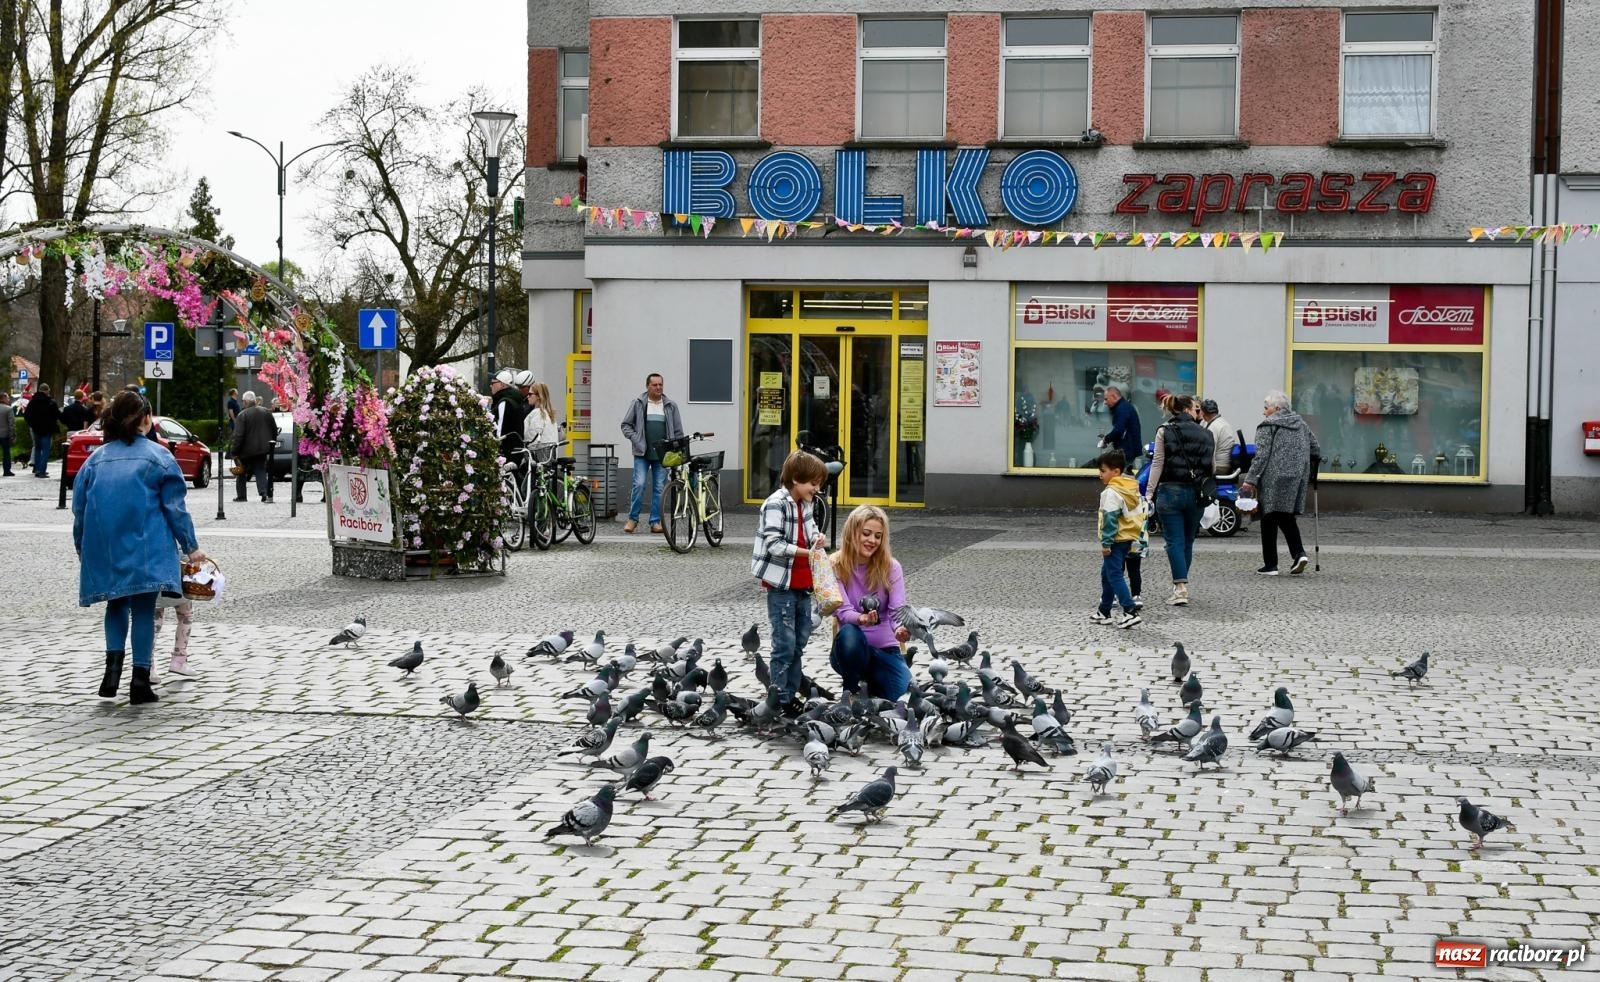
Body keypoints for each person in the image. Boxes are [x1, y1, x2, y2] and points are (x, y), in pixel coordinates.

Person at [73, 391, 206, 705]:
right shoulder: (159, 457)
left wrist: (82, 547)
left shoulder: (96, 459)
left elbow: (80, 508)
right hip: (147, 546)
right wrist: (191, 547)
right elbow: (175, 508)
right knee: (143, 610)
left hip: (106, 545)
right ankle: (140, 681)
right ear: (145, 419)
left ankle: (111, 673)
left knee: (115, 605)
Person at [751, 449, 829, 715]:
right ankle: (780, 698)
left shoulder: (805, 504)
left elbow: (811, 531)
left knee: (799, 642)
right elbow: (774, 544)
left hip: (802, 584)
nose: (817, 489)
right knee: (783, 645)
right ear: (796, 479)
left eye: (819, 483)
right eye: (813, 483)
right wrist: (808, 552)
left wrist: (818, 540)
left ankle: (791, 693)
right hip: (781, 585)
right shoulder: (775, 503)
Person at [828, 506, 912, 700]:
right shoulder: (835, 565)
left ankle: (871, 682)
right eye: (866, 533)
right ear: (852, 532)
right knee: (849, 631)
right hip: (850, 650)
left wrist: (900, 629)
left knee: (901, 697)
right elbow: (842, 611)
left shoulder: (891, 567)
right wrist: (862, 618)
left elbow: (897, 610)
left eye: (878, 536)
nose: (872, 540)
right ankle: (850, 691)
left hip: (886, 651)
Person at [1145, 394, 1215, 607]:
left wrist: (1149, 493)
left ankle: (1180, 587)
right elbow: (1212, 467)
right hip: (1197, 494)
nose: (1198, 412)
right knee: (1187, 541)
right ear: (1188, 409)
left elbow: (1157, 463)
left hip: (1170, 491)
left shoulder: (1164, 431)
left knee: (1174, 541)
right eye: (1196, 409)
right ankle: (1181, 583)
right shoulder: (1207, 433)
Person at [1241, 390, 1321, 576]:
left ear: (1276, 408)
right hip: (1297, 477)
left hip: (1273, 478)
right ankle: (1290, 557)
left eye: (1266, 407)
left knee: (1273, 515)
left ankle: (1277, 562)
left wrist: (1250, 481)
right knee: (1280, 516)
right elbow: (1316, 448)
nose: (1264, 411)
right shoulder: (1301, 424)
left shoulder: (1267, 426)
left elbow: (1261, 457)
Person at [619, 373, 684, 534]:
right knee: (639, 484)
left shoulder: (670, 406)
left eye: (660, 384)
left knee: (659, 488)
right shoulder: (638, 403)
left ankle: (655, 521)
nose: (658, 387)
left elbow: (678, 431)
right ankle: (633, 519)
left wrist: (676, 448)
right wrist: (636, 439)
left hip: (663, 455)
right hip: (642, 453)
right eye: (655, 385)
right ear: (647, 386)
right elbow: (626, 425)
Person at [1091, 448, 1144, 629]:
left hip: (1114, 540)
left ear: (1116, 472)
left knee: (1114, 575)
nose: (1100, 475)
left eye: (1103, 471)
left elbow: (1110, 519)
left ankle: (1130, 611)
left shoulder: (1111, 493)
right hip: (1127, 538)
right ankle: (1104, 611)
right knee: (1107, 574)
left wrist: (1106, 542)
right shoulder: (1130, 488)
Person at [230, 391, 278, 503]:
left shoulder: (243, 415)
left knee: (241, 472)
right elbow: (274, 430)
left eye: (243, 401)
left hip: (245, 451)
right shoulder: (266, 412)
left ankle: (242, 496)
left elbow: (239, 435)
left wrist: (234, 451)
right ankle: (264, 492)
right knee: (260, 470)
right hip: (263, 449)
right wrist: (272, 444)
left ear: (246, 401)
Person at [22, 382, 61, 478]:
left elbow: (27, 415)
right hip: (47, 430)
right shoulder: (51, 402)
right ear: (47, 391)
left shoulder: (33, 401)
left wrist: (33, 425)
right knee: (46, 450)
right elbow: (57, 415)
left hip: (36, 429)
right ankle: (42, 471)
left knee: (38, 448)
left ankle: (37, 469)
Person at [489, 368, 529, 459]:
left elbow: (500, 430)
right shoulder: (515, 399)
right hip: (516, 449)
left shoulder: (504, 402)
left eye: (493, 383)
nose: (490, 386)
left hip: (506, 452)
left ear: (502, 384)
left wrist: (495, 450)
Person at [1101, 384, 1143, 468]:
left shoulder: (1122, 409)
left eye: (1106, 399)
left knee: (1120, 475)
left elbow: (1118, 430)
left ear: (1114, 396)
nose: (1105, 402)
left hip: (1126, 450)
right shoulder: (1123, 407)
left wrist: (1106, 439)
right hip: (1127, 449)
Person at [1201, 399, 1238, 475]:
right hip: (1226, 465)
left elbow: (1210, 453)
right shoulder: (1222, 422)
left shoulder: (1213, 427)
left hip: (1219, 467)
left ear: (1203, 413)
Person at [524, 381, 562, 451]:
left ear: (538, 396)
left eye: (530, 394)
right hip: (550, 456)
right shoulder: (549, 413)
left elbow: (532, 438)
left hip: (538, 457)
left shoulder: (537, 413)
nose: (527, 396)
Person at [0, 392, 14, 476]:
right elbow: (11, 423)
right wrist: (12, 435)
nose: (8, 400)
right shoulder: (8, 409)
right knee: (6, 453)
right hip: (5, 435)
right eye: (7, 398)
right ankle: (7, 470)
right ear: (2, 399)